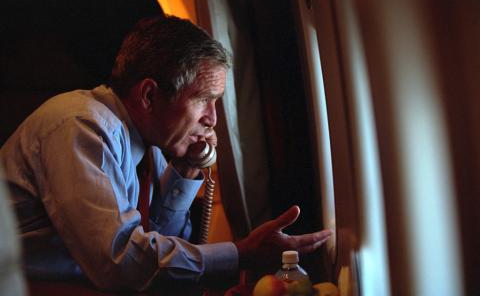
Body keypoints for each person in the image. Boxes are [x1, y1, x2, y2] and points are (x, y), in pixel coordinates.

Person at [0, 15, 332, 292]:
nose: (212, 119)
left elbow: (160, 246)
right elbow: (120, 263)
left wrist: (186, 171)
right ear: (149, 96)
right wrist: (241, 254)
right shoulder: (80, 125)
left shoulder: (151, 146)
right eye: (204, 99)